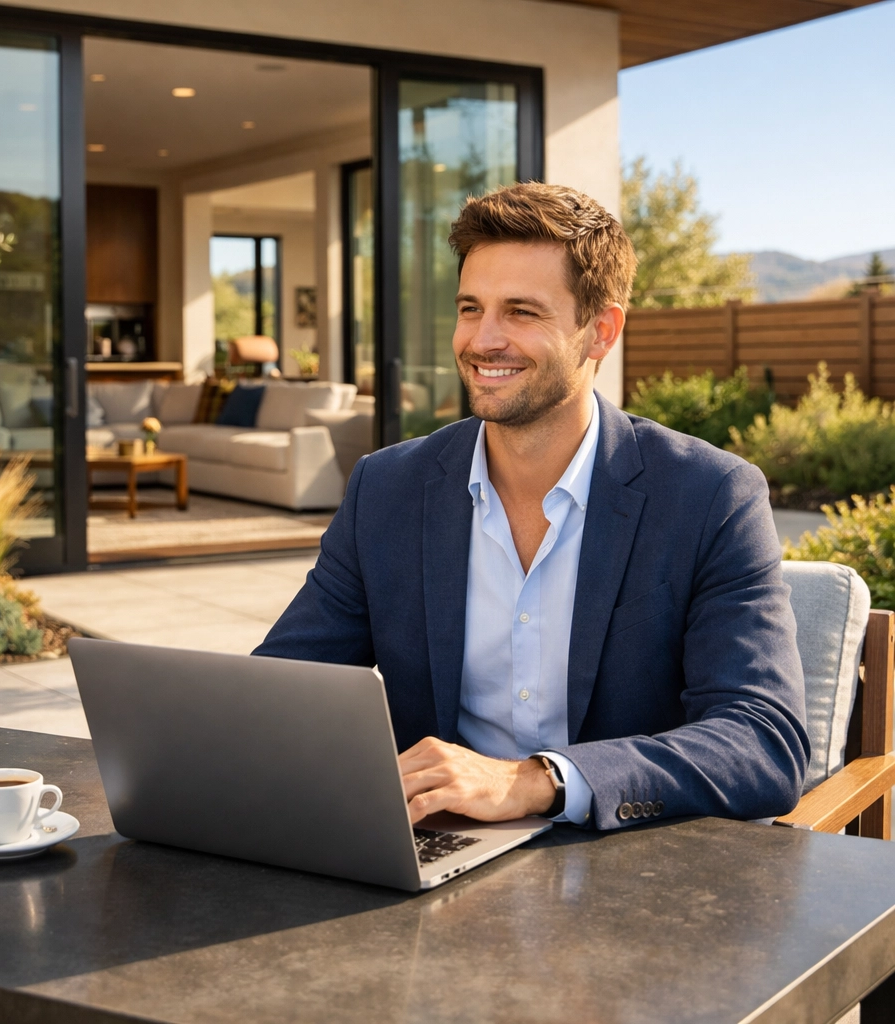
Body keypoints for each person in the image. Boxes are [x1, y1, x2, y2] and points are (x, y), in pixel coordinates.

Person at [254, 182, 809, 831]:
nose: (484, 340)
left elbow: (764, 740)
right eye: (470, 308)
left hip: (631, 873)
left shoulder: (710, 496)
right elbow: (282, 691)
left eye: (521, 311)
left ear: (600, 330)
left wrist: (540, 781)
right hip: (438, 859)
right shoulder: (388, 488)